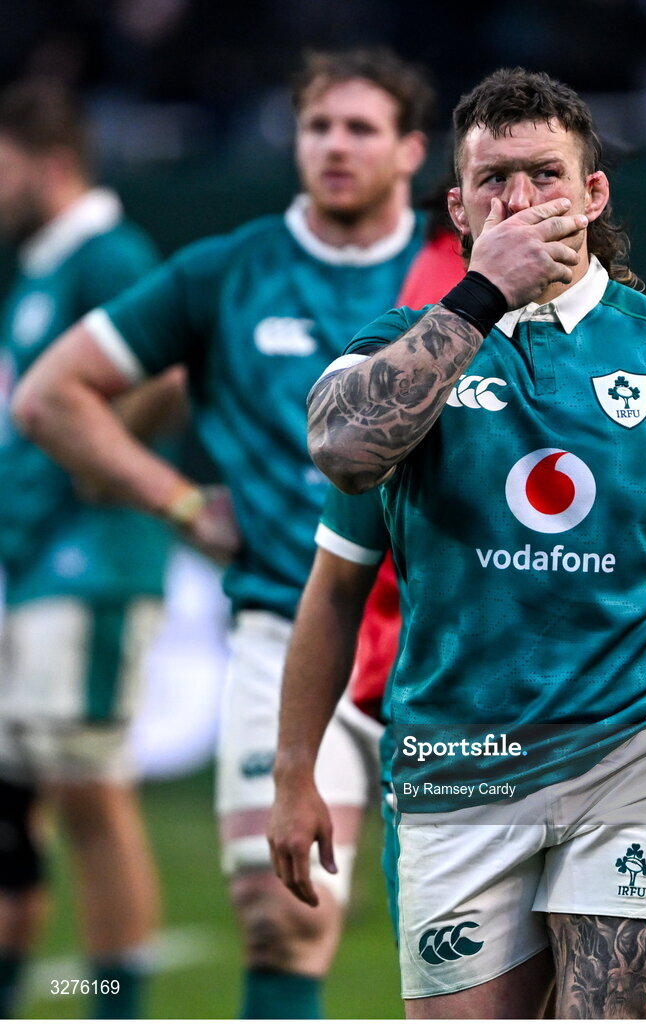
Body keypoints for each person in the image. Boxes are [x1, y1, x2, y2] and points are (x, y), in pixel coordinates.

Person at [301, 68, 646, 1018]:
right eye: (494, 181)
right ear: (457, 207)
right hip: (455, 759)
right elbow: (343, 452)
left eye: (545, 175)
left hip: (639, 750)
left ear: (594, 194)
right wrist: (481, 297)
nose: (520, 201)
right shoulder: (397, 350)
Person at [12, 49, 434, 1019]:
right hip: (287, 627)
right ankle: (109, 1005)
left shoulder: (458, 272)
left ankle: (107, 995)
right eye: (318, 125)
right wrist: (181, 501)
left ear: (411, 149)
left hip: (447, 638)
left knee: (474, 938)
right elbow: (51, 397)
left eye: (361, 127)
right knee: (280, 912)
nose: (335, 145)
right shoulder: (228, 269)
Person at [0, 79, 175, 1018]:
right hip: (30, 564)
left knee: (90, 795)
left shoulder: (110, 255)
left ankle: (111, 1005)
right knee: (21, 801)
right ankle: (26, 995)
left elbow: (173, 370)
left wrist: (102, 465)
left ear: (49, 162)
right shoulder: (40, 269)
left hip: (93, 562)